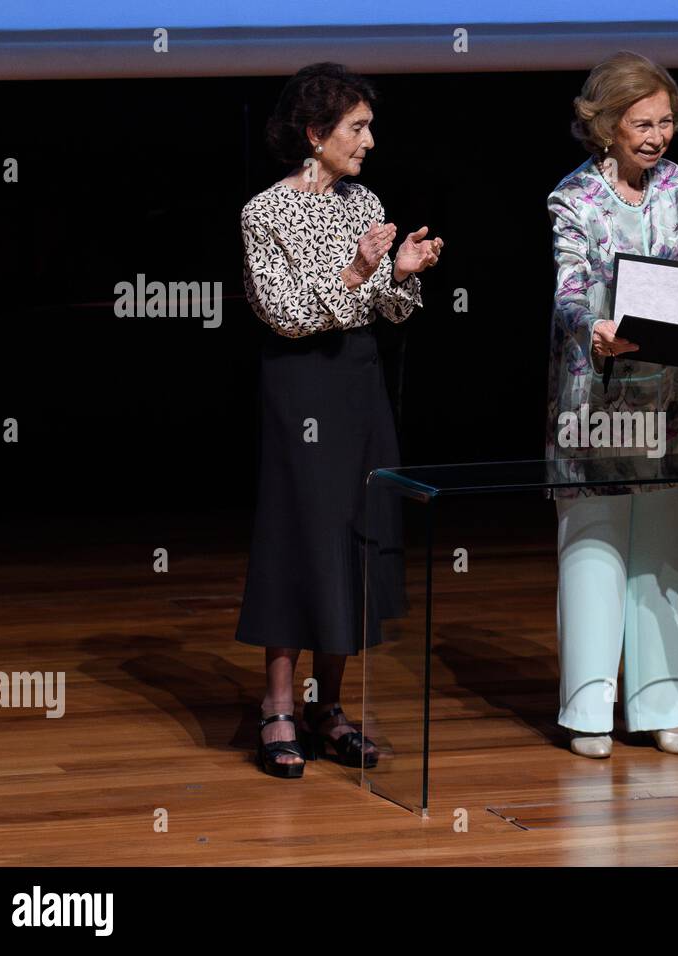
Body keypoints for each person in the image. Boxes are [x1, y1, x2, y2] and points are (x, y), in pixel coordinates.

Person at [236, 62, 444, 778]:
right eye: (357, 128)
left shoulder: (365, 202)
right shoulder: (264, 211)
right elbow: (285, 315)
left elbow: (383, 312)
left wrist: (401, 277)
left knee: (355, 535)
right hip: (301, 387)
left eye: (370, 127)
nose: (369, 141)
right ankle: (278, 707)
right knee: (300, 534)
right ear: (315, 133)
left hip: (357, 381)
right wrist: (357, 276)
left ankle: (328, 706)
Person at [546, 52, 678, 759]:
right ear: (605, 126)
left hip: (668, 394)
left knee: (660, 556)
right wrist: (589, 327)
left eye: (666, 122)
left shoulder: (677, 183)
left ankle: (661, 706)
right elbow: (567, 289)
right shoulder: (574, 199)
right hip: (598, 393)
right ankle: (589, 710)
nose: (658, 136)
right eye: (642, 124)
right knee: (593, 550)